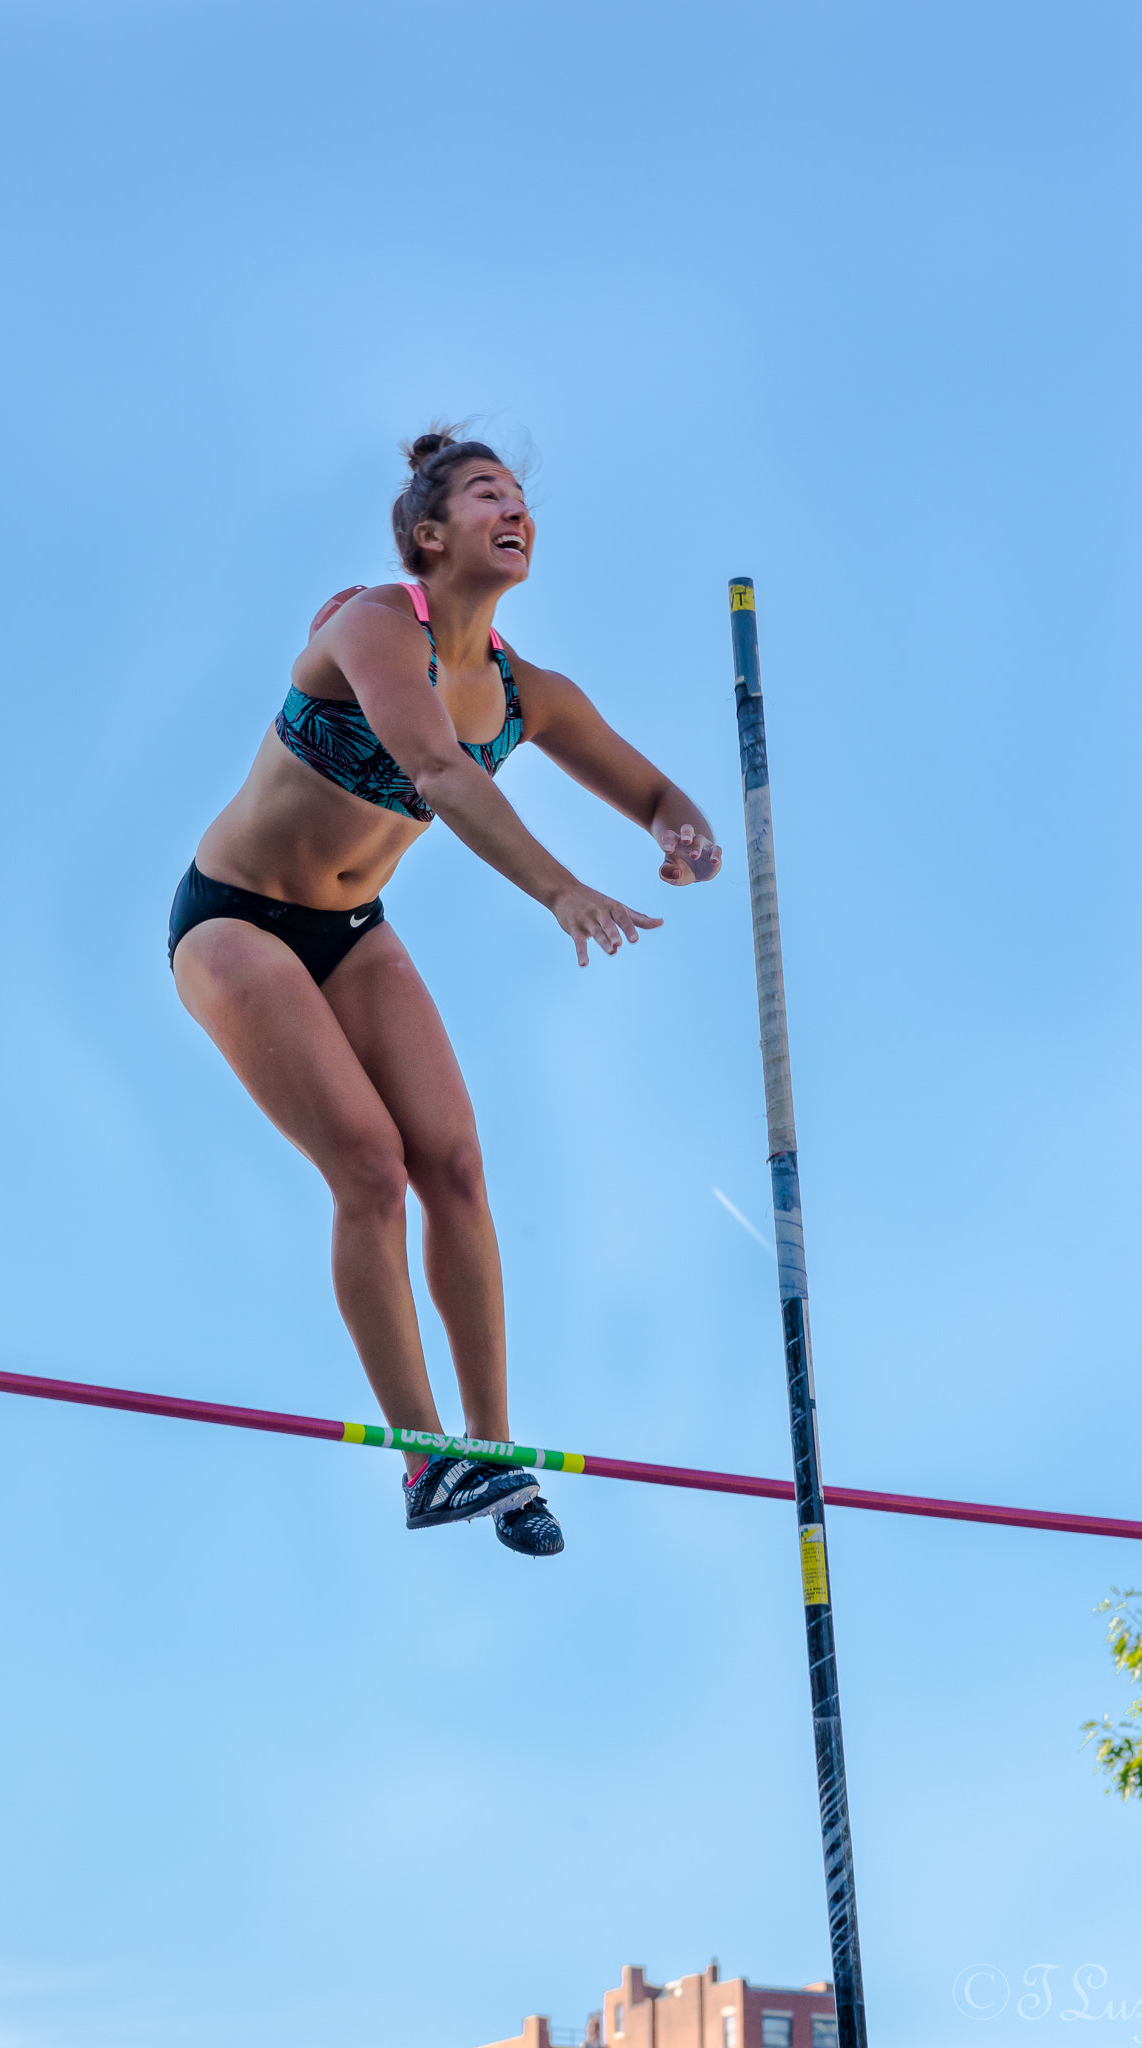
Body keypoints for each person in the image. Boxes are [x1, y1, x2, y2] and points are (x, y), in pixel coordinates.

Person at [170, 428, 721, 1558]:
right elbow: (433, 770)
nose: (513, 511)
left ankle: (493, 1457)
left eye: (520, 497)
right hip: (232, 918)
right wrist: (559, 888)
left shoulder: (529, 690)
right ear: (431, 535)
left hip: (352, 930)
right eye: (486, 495)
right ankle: (424, 1455)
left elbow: (655, 788)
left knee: (457, 1169)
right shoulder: (374, 622)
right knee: (370, 1167)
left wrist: (681, 830)